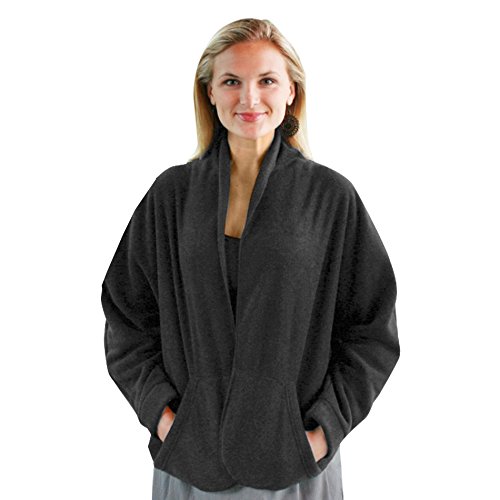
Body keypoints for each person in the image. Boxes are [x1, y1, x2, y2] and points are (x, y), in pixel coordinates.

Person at [101, 17, 400, 500]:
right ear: (209, 92)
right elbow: (127, 318)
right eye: (231, 81)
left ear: (291, 92)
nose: (249, 98)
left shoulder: (330, 198)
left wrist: (323, 431)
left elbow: (371, 332)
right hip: (191, 461)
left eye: (266, 81)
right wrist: (164, 417)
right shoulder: (172, 196)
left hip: (296, 464)